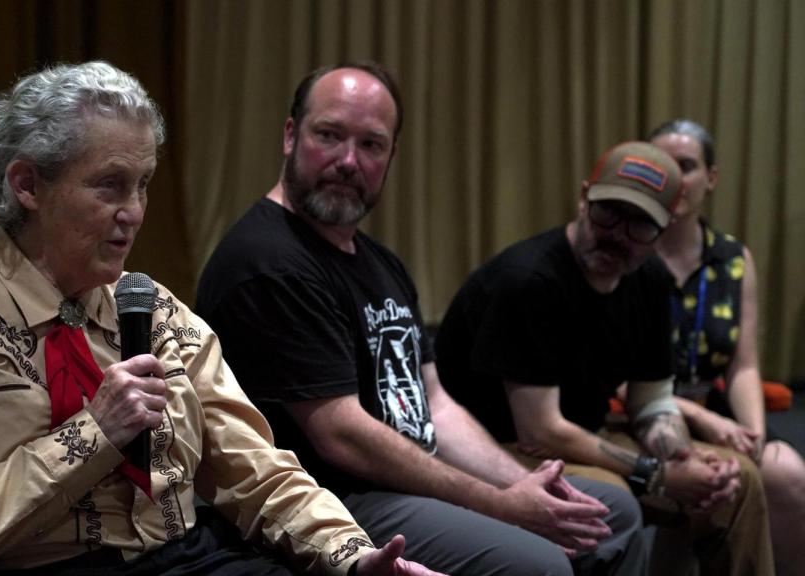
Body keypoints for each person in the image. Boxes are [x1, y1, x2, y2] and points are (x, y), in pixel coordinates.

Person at [0, 61, 443, 576]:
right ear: (28, 185)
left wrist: (351, 556)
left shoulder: (154, 310)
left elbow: (258, 473)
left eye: (142, 186)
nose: (133, 212)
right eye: (109, 185)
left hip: (186, 555)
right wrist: (92, 436)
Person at [196, 61, 647, 576]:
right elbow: (342, 436)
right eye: (329, 135)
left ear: (390, 157)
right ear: (291, 135)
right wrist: (498, 504)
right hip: (332, 499)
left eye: (371, 145)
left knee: (615, 513)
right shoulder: (266, 261)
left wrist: (518, 483)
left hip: (402, 480)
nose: (348, 160)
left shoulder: (379, 262)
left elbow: (435, 403)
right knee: (539, 564)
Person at [434, 140, 775, 575]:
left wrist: (684, 458)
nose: (618, 235)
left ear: (665, 228)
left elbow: (650, 401)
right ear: (583, 197)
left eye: (640, 226)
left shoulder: (649, 279)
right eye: (608, 212)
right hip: (498, 448)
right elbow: (540, 430)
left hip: (581, 435)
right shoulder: (529, 281)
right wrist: (663, 476)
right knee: (608, 494)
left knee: (736, 479)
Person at [648, 118, 805, 575]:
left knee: (788, 474)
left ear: (711, 179)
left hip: (713, 401)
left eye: (688, 166)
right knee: (707, 482)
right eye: (663, 166)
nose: (675, 178)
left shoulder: (733, 258)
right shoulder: (628, 251)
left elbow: (743, 365)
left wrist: (753, 433)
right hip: (642, 406)